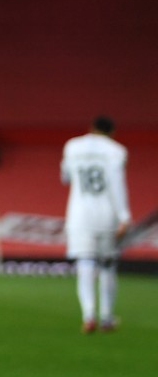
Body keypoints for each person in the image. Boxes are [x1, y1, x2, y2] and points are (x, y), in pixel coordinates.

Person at [60, 115, 130, 333]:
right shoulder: (117, 151)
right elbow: (117, 184)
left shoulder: (72, 146)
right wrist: (124, 216)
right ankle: (106, 317)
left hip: (79, 216)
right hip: (106, 216)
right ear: (112, 132)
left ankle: (88, 315)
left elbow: (65, 177)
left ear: (91, 128)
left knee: (85, 264)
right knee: (108, 265)